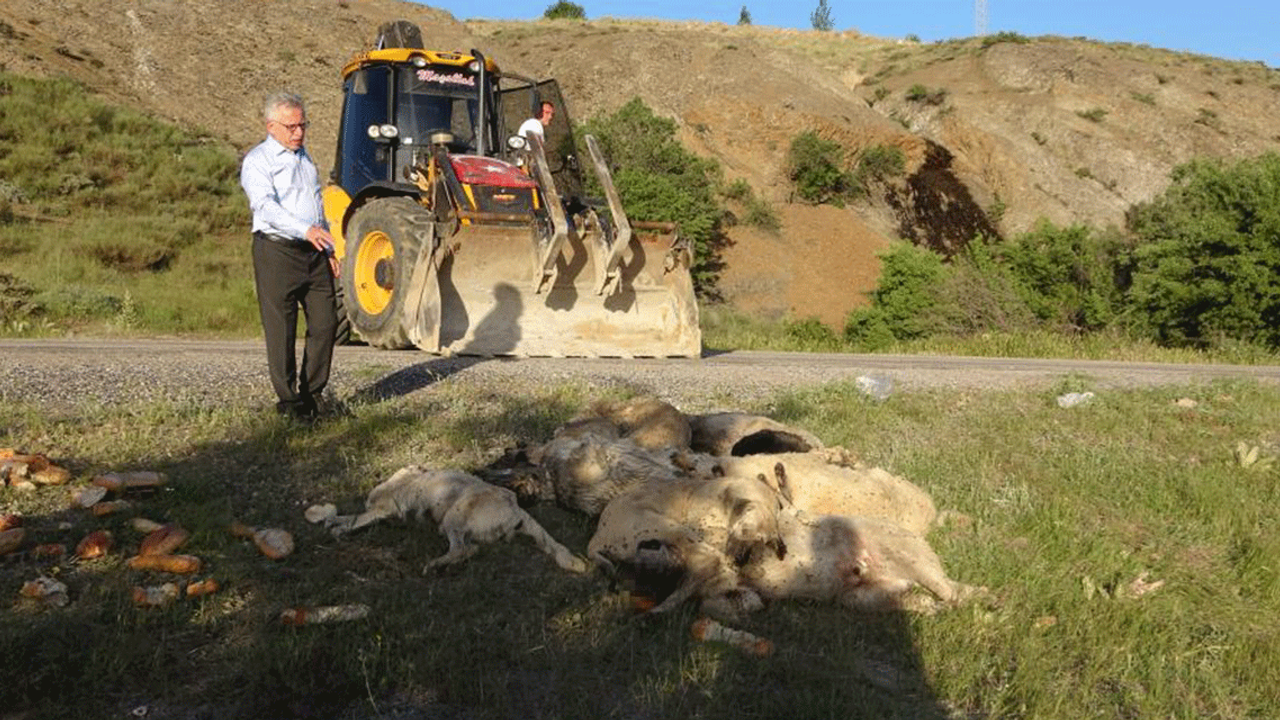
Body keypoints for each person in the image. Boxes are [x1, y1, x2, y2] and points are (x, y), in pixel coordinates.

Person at [239, 92, 340, 421]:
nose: (298, 132)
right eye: (291, 127)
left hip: (314, 252)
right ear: (271, 126)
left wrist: (328, 247)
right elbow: (264, 206)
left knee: (326, 323)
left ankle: (312, 395)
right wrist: (304, 229)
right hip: (277, 251)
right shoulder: (257, 161)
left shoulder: (306, 159)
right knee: (281, 329)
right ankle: (289, 403)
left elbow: (316, 204)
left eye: (303, 125)